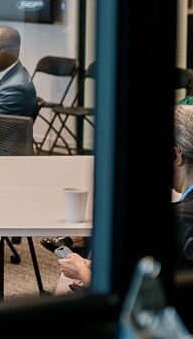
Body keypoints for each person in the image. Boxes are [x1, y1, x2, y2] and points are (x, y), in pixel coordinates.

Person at [54, 105, 193, 294]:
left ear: (176, 155)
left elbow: (135, 294)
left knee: (66, 280)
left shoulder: (175, 220)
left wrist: (82, 272)